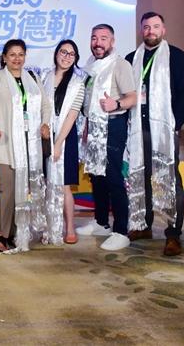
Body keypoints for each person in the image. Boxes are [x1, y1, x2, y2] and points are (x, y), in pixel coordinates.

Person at [124, 12, 184, 256]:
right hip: (138, 128)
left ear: (163, 30)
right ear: (141, 30)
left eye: (155, 26)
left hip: (165, 128)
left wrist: (176, 122)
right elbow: (125, 93)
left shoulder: (176, 56)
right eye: (146, 27)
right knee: (140, 176)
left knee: (170, 179)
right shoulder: (131, 59)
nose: (151, 31)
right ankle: (143, 225)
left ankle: (173, 234)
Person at [0, 39, 51, 254]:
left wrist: (45, 123)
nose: (17, 58)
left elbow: (45, 106)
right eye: (12, 55)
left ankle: (17, 233)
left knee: (24, 190)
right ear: (4, 57)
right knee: (7, 190)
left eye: (20, 54)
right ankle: (1, 234)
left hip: (30, 145)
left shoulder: (33, 78)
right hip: (5, 143)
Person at [76, 24, 137, 251]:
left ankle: (121, 231)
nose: (98, 43)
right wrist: (87, 126)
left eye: (103, 38)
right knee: (96, 175)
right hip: (94, 126)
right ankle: (101, 222)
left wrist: (116, 104)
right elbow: (88, 100)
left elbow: (133, 97)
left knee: (112, 176)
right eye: (94, 38)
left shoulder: (120, 65)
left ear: (112, 42)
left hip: (113, 125)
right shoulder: (91, 65)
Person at [42, 40, 85, 245]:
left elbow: (72, 116)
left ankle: (69, 228)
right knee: (47, 183)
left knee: (65, 186)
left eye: (71, 54)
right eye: (63, 52)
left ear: (75, 59)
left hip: (66, 137)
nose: (66, 57)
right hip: (45, 135)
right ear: (56, 53)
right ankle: (50, 226)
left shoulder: (78, 83)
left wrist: (58, 143)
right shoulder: (45, 77)